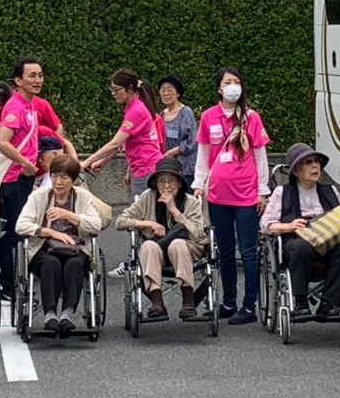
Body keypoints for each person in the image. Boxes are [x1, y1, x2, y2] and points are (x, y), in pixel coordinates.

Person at [192, 66, 270, 325]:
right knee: (224, 251)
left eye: (237, 81)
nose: (233, 85)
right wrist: (198, 184)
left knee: (248, 250)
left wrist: (263, 190)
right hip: (217, 193)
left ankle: (249, 305)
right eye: (228, 82)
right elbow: (203, 154)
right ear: (219, 88)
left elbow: (260, 154)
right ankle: (228, 301)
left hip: (246, 193)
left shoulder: (251, 117)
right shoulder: (208, 117)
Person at [80, 69, 163, 278]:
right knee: (143, 214)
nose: (113, 93)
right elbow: (124, 143)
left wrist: (87, 161)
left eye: (116, 89)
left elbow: (116, 142)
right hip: (142, 167)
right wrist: (102, 161)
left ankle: (136, 262)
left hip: (147, 169)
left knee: (138, 216)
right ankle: (138, 260)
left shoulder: (136, 110)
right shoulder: (133, 107)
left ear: (130, 89)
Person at [260, 144, 340, 320]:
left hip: (327, 242)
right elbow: (266, 225)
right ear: (295, 171)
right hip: (296, 241)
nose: (315, 167)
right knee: (301, 247)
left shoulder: (330, 191)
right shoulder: (283, 192)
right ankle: (300, 300)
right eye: (308, 163)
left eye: (317, 162)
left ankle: (329, 303)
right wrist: (290, 226)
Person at [16, 155, 103, 337]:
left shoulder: (83, 196)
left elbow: (96, 224)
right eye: (54, 176)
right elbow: (21, 225)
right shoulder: (39, 196)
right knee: (51, 263)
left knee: (75, 264)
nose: (58, 182)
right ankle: (50, 315)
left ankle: (67, 314)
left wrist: (69, 215)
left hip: (76, 247)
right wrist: (52, 233)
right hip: (44, 247)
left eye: (64, 177)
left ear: (73, 180)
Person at [115, 157, 207, 319]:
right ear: (155, 184)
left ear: (179, 184)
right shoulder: (147, 197)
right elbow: (120, 222)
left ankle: (188, 301)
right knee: (148, 246)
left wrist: (174, 211)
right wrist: (147, 223)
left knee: (177, 244)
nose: (166, 186)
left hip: (188, 249)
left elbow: (198, 234)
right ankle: (157, 302)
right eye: (161, 181)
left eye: (171, 181)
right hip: (156, 249)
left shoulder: (191, 202)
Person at [0, 57, 43, 294]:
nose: (38, 80)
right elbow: (2, 142)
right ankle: (6, 283)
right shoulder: (15, 106)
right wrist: (24, 162)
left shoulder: (29, 104)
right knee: (17, 232)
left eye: (40, 75)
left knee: (17, 230)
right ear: (18, 80)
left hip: (24, 178)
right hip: (14, 178)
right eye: (32, 76)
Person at [158, 75, 197, 185]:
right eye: (163, 90)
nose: (166, 94)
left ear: (178, 93)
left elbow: (192, 141)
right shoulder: (162, 114)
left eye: (170, 90)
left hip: (185, 167)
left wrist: (173, 152)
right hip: (168, 166)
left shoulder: (186, 112)